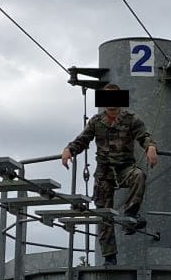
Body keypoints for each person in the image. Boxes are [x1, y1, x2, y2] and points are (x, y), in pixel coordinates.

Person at [60, 84, 160, 264]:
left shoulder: (130, 119)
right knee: (104, 215)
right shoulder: (97, 121)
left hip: (124, 168)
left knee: (138, 176)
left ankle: (131, 214)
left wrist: (151, 147)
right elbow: (83, 139)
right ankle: (109, 256)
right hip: (104, 173)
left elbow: (144, 136)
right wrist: (69, 150)